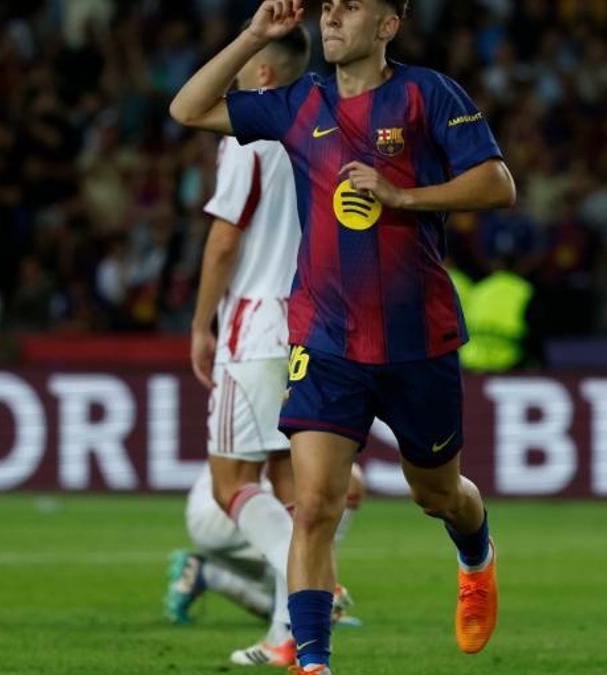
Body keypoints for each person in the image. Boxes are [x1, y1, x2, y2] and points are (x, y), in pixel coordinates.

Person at [169, 1, 517, 673]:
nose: (332, 17)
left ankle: (476, 555)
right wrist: (254, 36)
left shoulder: (426, 94)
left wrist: (403, 196)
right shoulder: (299, 103)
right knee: (314, 507)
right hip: (325, 340)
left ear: (388, 25)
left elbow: (497, 184)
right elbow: (187, 109)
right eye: (327, 7)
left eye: (350, 7)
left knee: (437, 494)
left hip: (418, 340)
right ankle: (313, 663)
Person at [184, 22, 311, 667]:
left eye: (241, 64)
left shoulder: (247, 135)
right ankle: (293, 632)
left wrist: (202, 323)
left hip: (257, 321)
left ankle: (301, 613)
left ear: (263, 73)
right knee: (292, 484)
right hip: (311, 323)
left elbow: (225, 239)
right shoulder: (320, 129)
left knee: (231, 480)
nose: (231, 74)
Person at [165, 463, 367, 630]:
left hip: (211, 508)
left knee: (285, 601)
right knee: (347, 479)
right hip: (227, 509)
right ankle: (316, 591)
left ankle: (209, 574)